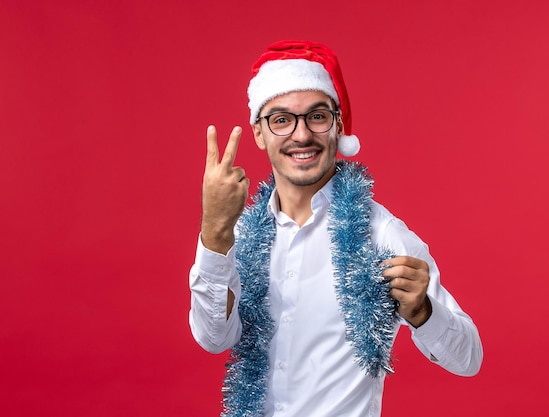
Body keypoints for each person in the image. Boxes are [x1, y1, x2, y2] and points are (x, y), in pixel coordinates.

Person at [189, 40, 483, 417]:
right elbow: (214, 338)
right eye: (281, 120)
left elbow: (469, 359)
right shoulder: (240, 234)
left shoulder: (382, 234)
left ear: (338, 126)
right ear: (259, 133)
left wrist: (423, 311)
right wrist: (215, 231)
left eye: (317, 116)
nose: (301, 135)